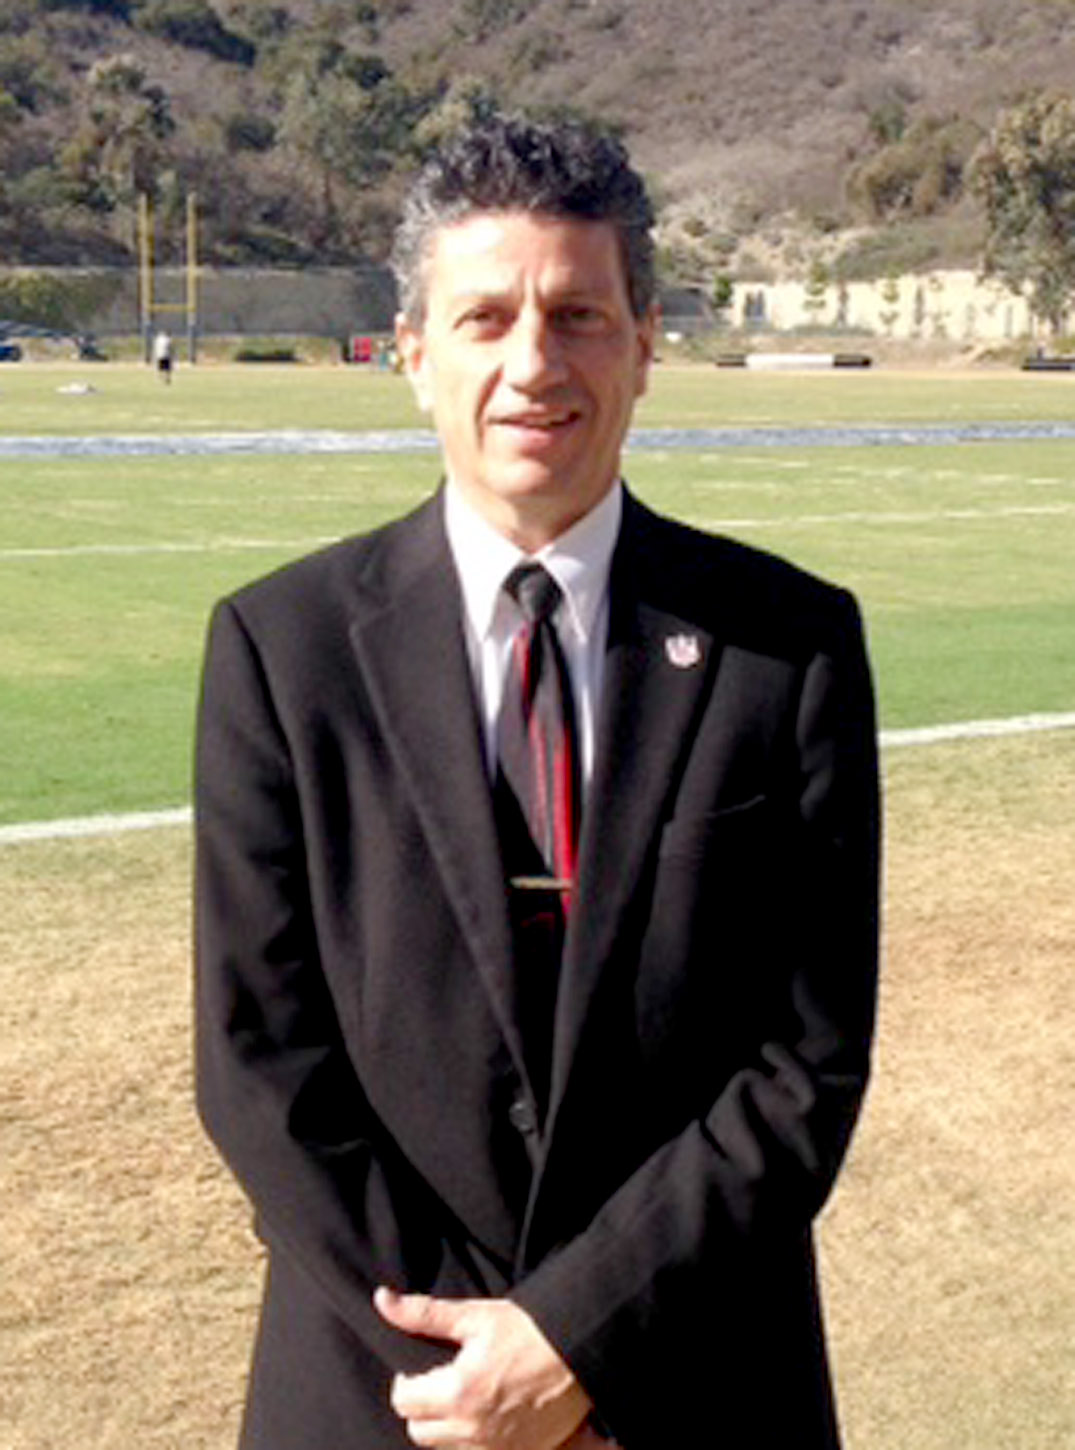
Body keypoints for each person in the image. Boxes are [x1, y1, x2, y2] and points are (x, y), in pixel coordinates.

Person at [195, 112, 881, 1450]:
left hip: (697, 1379)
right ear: (411, 351)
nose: (532, 363)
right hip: (386, 1392)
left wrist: (577, 1339)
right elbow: (258, 1059)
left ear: (646, 343)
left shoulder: (786, 646)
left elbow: (804, 1061)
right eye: (486, 318)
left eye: (578, 316)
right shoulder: (281, 650)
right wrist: (472, 1362)